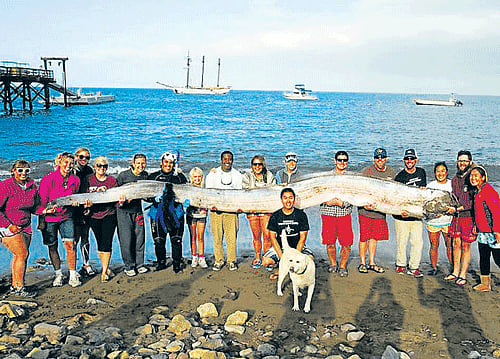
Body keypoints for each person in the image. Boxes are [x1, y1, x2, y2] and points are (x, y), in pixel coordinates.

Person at [38, 152, 82, 287]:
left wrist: (76, 203)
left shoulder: (75, 180)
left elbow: (75, 197)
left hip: (67, 217)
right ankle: (58, 274)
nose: (68, 166)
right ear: (59, 162)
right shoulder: (48, 178)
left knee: (71, 245)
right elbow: (42, 201)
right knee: (52, 246)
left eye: (71, 163)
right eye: (66, 163)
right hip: (50, 218)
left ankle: (73, 275)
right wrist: (43, 217)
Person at [0, 160, 39, 297]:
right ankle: (19, 288)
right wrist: (8, 225)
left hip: (26, 226)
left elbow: (35, 207)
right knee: (22, 254)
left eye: (26, 170)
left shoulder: (32, 186)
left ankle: (16, 285)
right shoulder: (5, 185)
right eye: (20, 170)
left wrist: (46, 210)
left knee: (21, 256)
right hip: (8, 226)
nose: (24, 173)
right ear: (13, 171)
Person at [357, 147, 396, 274]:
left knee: (374, 237)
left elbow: (393, 193)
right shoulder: (366, 171)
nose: (380, 160)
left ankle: (372, 262)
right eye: (377, 158)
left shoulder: (391, 172)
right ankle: (362, 263)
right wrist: (364, 204)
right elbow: (358, 190)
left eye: (382, 157)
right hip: (365, 210)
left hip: (380, 211)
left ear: (386, 158)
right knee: (364, 237)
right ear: (374, 159)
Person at [147, 152, 187, 273]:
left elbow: (187, 192)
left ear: (174, 164)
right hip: (157, 213)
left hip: (175, 213)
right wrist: (152, 199)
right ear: (161, 163)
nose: (168, 165)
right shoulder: (153, 177)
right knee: (159, 240)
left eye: (171, 163)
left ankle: (176, 263)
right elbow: (144, 194)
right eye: (166, 162)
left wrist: (186, 201)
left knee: (176, 239)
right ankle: (161, 262)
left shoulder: (179, 177)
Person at [81, 157, 117, 283]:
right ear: (95, 166)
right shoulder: (88, 179)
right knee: (99, 242)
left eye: (105, 166)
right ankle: (105, 268)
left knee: (107, 243)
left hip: (109, 214)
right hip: (93, 215)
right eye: (99, 165)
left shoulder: (112, 180)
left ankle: (104, 272)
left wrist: (122, 202)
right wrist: (86, 204)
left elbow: (116, 200)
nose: (102, 168)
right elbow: (84, 194)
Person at [263, 187, 313, 280]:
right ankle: (279, 268)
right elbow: (273, 238)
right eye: (285, 198)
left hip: (297, 247)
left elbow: (303, 238)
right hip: (281, 248)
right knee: (266, 261)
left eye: (290, 197)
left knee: (309, 259)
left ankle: (297, 271)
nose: (288, 201)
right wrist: (282, 258)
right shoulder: (275, 215)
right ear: (281, 200)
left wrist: (296, 256)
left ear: (294, 199)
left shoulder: (301, 215)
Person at [205, 151, 243, 271]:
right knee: (217, 237)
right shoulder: (213, 174)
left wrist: (237, 207)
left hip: (231, 211)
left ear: (232, 160)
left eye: (229, 159)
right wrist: (212, 205)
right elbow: (208, 191)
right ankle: (219, 260)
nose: (227, 161)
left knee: (231, 238)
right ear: (221, 160)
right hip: (216, 210)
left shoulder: (237, 175)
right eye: (225, 159)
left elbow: (239, 193)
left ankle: (232, 261)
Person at [393, 149, 427, 278]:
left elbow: (421, 194)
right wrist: (401, 211)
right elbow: (396, 197)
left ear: (416, 160)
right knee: (402, 242)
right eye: (407, 159)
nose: (409, 161)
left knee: (417, 242)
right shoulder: (399, 176)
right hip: (401, 215)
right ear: (404, 161)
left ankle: (414, 267)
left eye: (412, 159)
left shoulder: (421, 172)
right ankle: (400, 264)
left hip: (416, 215)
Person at [444, 150, 476, 286]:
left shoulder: (473, 177)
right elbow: (454, 198)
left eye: (465, 160)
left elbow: (471, 202)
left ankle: (463, 274)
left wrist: (457, 209)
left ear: (469, 161)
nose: (462, 163)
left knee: (465, 246)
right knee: (455, 244)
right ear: (457, 162)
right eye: (460, 160)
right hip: (456, 217)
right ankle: (455, 271)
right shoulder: (455, 179)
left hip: (468, 217)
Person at [320, 151, 353, 277]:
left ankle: (343, 265)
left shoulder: (351, 178)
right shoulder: (326, 176)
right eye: (339, 160)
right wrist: (328, 201)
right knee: (330, 241)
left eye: (345, 160)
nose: (342, 162)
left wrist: (343, 203)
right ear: (335, 161)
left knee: (346, 242)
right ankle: (333, 263)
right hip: (328, 213)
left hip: (344, 213)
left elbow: (355, 194)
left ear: (347, 162)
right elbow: (317, 192)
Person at [116, 153, 148, 277]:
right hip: (123, 211)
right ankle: (129, 266)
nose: (141, 165)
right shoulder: (123, 176)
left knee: (140, 238)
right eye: (138, 163)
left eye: (143, 163)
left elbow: (147, 194)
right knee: (126, 240)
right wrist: (121, 201)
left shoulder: (145, 176)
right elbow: (114, 193)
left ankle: (139, 264)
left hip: (137, 211)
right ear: (133, 163)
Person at [469, 166, 500, 292]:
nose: (473, 178)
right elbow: (479, 212)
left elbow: (497, 212)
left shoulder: (489, 191)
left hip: (493, 232)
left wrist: (497, 231)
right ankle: (485, 284)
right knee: (484, 257)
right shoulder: (477, 191)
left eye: (476, 175)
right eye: (471, 175)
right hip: (483, 232)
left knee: (498, 259)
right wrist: (476, 225)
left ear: (483, 178)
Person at [242, 155, 276, 269]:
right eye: (255, 164)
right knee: (256, 236)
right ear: (252, 166)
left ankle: (267, 258)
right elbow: (244, 192)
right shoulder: (247, 176)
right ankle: (257, 257)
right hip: (253, 210)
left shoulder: (270, 176)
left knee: (267, 236)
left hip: (266, 210)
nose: (257, 167)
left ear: (263, 165)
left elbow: (273, 191)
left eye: (259, 164)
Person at [425, 162, 453, 275]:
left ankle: (453, 267)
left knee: (449, 245)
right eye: (438, 171)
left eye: (442, 171)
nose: (440, 173)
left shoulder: (452, 185)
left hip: (448, 221)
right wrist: (433, 214)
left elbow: (455, 201)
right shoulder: (430, 185)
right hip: (433, 221)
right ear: (435, 173)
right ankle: (434, 267)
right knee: (434, 245)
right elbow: (426, 205)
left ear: (446, 172)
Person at [73, 147, 95, 277]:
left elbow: (90, 187)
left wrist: (88, 206)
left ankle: (86, 264)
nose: (84, 160)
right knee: (74, 238)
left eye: (87, 158)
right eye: (81, 157)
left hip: (86, 205)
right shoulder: (71, 170)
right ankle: (73, 267)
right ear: (76, 157)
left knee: (85, 236)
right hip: (74, 207)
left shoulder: (89, 170)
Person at [186, 167, 208, 269]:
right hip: (191, 215)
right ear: (191, 177)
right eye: (195, 177)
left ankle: (201, 257)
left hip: (202, 214)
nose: (197, 179)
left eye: (199, 177)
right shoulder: (188, 187)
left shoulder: (204, 188)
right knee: (193, 236)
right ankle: (194, 256)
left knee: (200, 236)